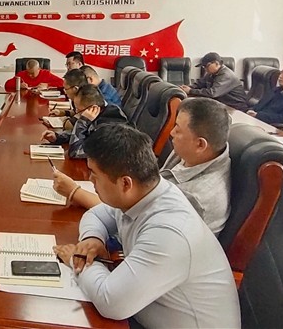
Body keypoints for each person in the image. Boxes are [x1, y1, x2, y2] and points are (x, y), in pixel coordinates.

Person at [52, 124, 240, 328]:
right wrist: (93, 239)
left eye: (94, 174)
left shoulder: (169, 231)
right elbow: (96, 214)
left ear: (125, 183)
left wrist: (78, 260)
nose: (90, 180)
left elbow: (111, 303)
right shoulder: (145, 194)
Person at [55, 98, 232, 236]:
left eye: (178, 129)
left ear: (200, 144)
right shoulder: (192, 152)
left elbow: (131, 215)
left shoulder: (197, 197)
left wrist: (75, 192)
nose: (171, 133)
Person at [42, 84, 127, 159]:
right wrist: (58, 137)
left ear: (93, 108)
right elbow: (86, 135)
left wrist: (83, 121)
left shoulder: (109, 125)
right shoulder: (100, 113)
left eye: (79, 110)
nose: (76, 113)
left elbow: (75, 152)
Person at [180, 52, 248, 111]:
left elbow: (213, 93)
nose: (205, 69)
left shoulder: (226, 75)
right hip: (221, 104)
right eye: (203, 67)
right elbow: (200, 83)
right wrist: (186, 88)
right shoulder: (211, 73)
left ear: (216, 63)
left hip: (235, 107)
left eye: (206, 66)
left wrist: (190, 91)